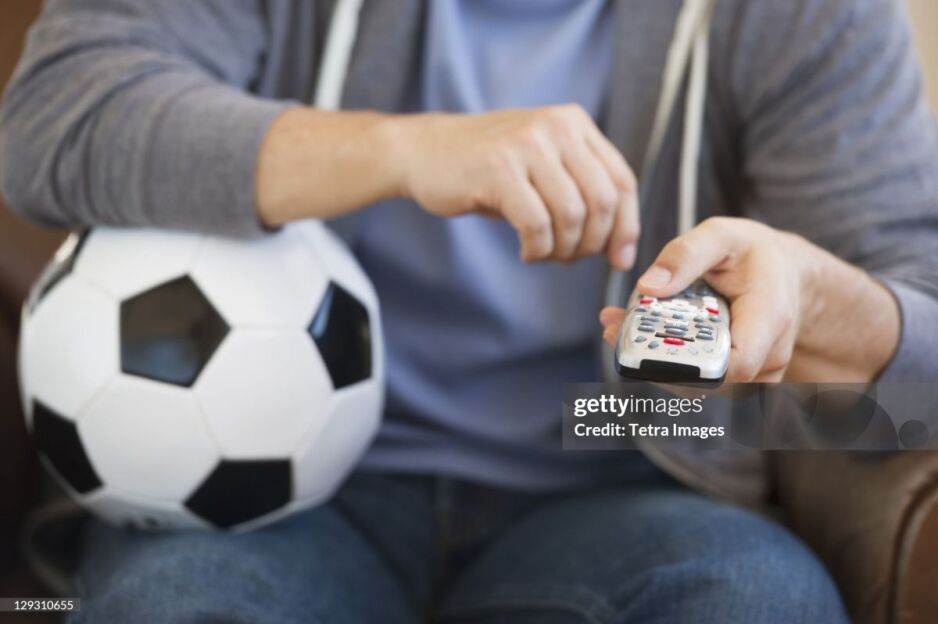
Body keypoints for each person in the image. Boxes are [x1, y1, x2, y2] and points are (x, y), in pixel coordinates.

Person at [1, 0, 936, 621]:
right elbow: (52, 119)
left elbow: (924, 357)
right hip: (280, 498)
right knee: (173, 606)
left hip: (620, 477)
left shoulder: (799, 14)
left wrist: (815, 299)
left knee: (758, 600)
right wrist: (402, 150)